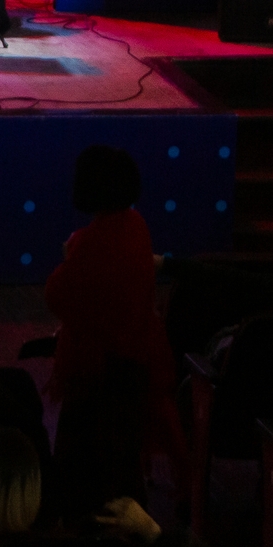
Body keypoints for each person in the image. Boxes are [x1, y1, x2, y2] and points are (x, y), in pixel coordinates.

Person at [45, 144, 180, 512]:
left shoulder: (91, 242)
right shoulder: (136, 225)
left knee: (82, 465)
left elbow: (58, 296)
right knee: (121, 460)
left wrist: (71, 258)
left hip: (97, 372)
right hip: (135, 363)